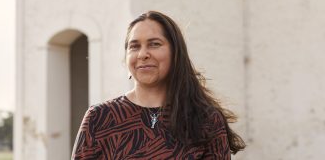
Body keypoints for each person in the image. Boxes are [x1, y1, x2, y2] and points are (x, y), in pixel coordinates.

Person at [72, 11, 246, 159]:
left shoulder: (206, 120)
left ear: (175, 53)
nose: (143, 54)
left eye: (154, 44)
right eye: (134, 46)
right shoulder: (99, 118)